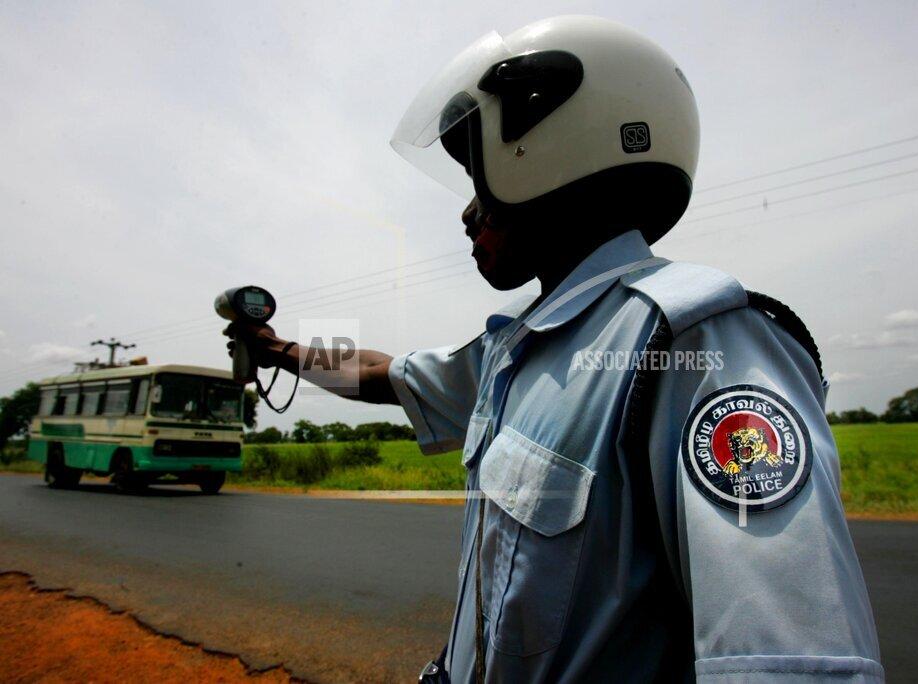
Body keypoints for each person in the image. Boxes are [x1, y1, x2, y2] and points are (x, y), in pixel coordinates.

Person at [229, 16, 884, 683]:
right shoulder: (515, 350)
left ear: (553, 147)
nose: (467, 215)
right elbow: (382, 373)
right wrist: (276, 346)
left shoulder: (693, 342)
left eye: (478, 179)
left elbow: (785, 665)